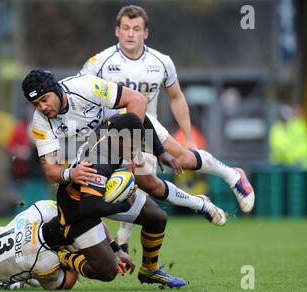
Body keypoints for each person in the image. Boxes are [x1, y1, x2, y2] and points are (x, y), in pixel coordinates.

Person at [79, 4, 255, 250]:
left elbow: (176, 97)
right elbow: (82, 95)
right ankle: (122, 241)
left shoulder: (161, 62)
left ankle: (233, 175)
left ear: (146, 33)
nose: (131, 34)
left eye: (137, 29)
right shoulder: (99, 62)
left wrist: (190, 137)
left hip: (147, 127)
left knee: (181, 159)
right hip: (112, 132)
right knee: (133, 187)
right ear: (117, 31)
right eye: (126, 28)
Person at [22, 69, 226, 228]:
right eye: (35, 104)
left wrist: (134, 149)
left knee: (182, 160)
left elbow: (137, 100)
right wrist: (70, 173)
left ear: (56, 90)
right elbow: (50, 169)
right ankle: (199, 204)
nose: (42, 107)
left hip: (131, 122)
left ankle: (231, 174)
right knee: (148, 184)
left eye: (44, 99)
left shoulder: (83, 86)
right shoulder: (40, 121)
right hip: (98, 143)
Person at [41, 112, 188, 288]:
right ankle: (62, 255)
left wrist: (160, 152)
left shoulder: (114, 125)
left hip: (96, 194)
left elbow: (139, 117)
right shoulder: (98, 162)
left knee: (156, 216)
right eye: (132, 145)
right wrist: (124, 205)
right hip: (76, 211)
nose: (134, 150)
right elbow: (89, 209)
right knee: (108, 272)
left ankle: (150, 270)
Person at [0, 199, 134, 290]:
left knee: (19, 260)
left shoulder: (41, 210)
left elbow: (81, 218)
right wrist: (71, 256)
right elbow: (65, 284)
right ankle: (16, 282)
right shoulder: (45, 262)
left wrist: (114, 249)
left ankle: (18, 276)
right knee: (34, 274)